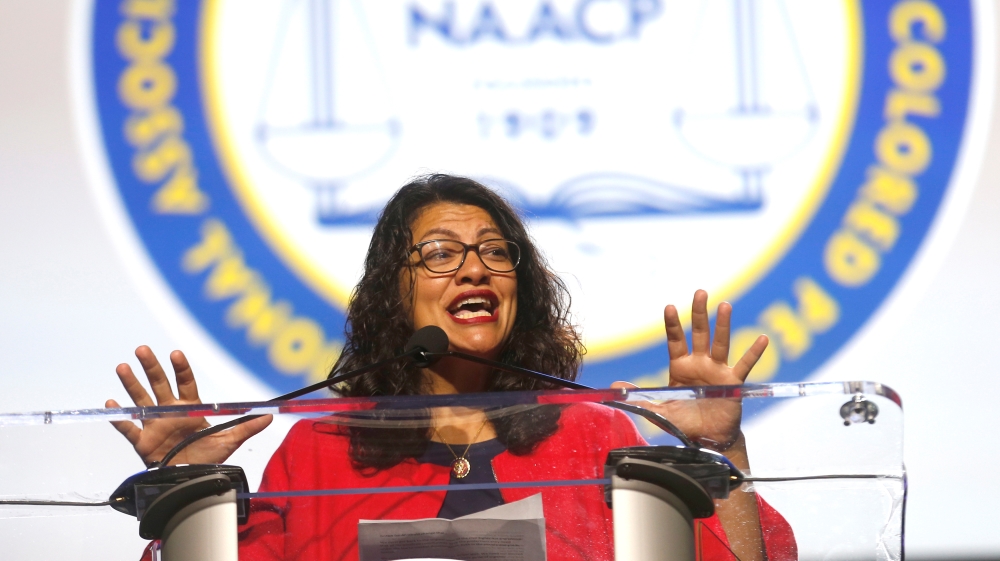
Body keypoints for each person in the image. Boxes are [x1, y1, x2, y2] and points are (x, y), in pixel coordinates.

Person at [107, 174, 794, 561]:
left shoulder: (586, 435)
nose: (474, 266)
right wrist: (184, 489)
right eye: (440, 252)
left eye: (497, 252)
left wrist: (717, 448)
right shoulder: (321, 450)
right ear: (392, 292)